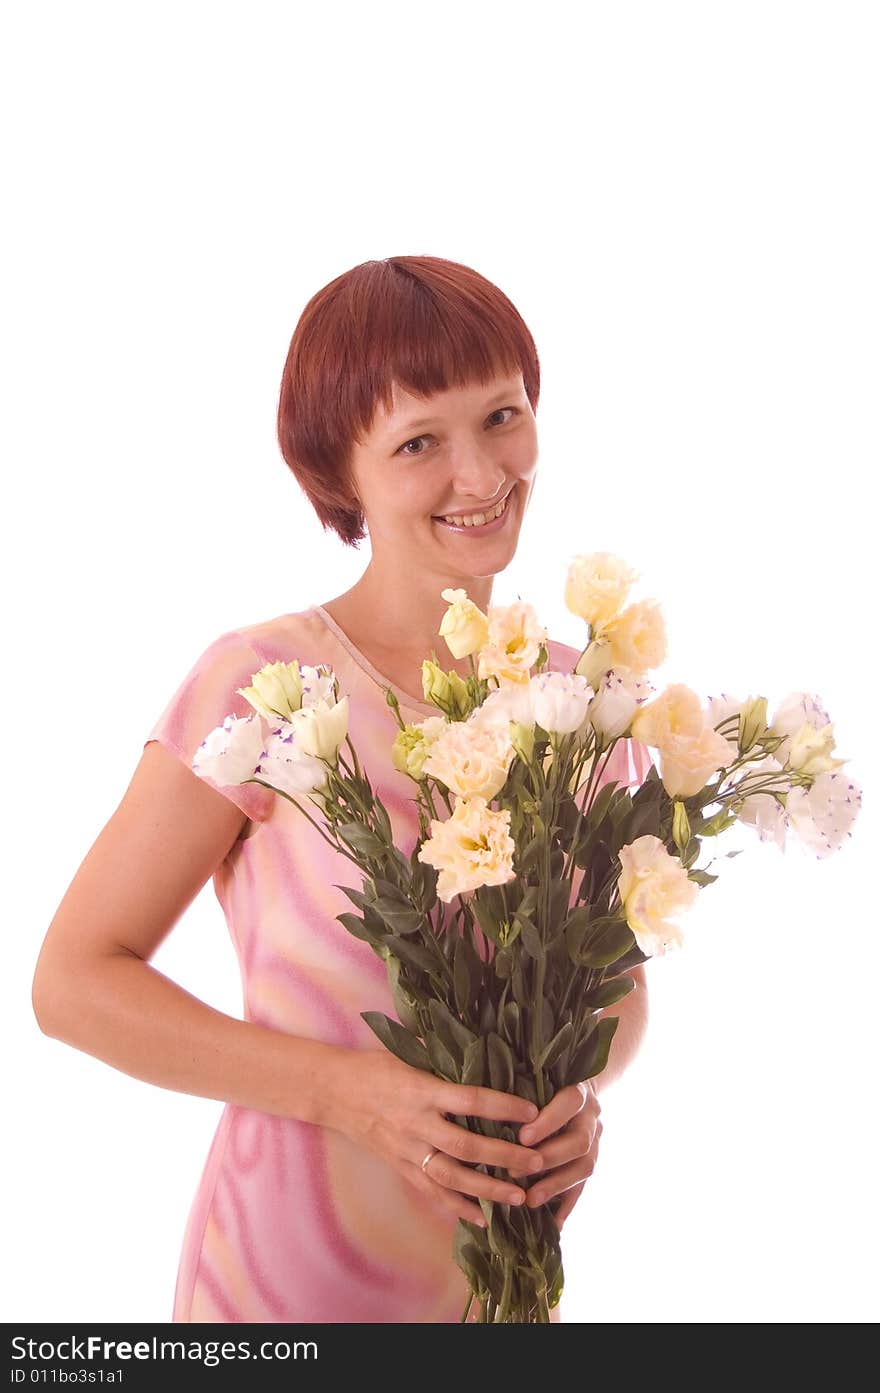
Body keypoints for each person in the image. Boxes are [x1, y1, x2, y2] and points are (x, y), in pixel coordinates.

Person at [31, 255, 652, 1323]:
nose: (481, 473)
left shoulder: (581, 701)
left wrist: (579, 1092)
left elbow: (617, 982)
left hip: (495, 1286)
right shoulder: (267, 686)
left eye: (501, 416)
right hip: (283, 1280)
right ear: (338, 473)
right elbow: (74, 981)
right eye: (418, 442)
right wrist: (348, 1094)